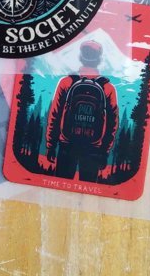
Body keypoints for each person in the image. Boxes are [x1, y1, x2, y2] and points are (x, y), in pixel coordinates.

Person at [46, 40, 118, 182]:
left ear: (80, 57)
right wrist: (105, 152)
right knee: (87, 189)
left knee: (60, 185)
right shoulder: (107, 88)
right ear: (99, 59)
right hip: (94, 148)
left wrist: (51, 146)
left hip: (67, 144)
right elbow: (112, 123)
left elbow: (55, 115)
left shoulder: (67, 82)